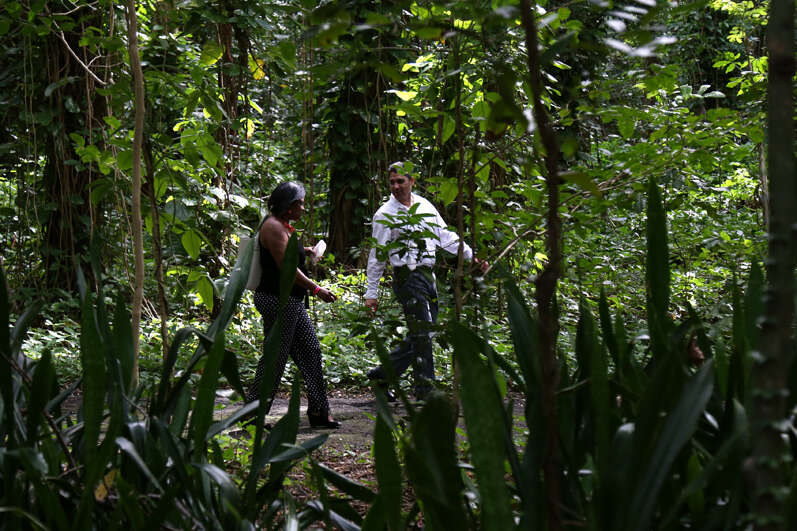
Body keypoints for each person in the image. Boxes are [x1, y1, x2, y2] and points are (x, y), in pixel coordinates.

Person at [364, 164, 488, 400]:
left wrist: (471, 256)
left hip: (427, 275)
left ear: (412, 182)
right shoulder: (384, 214)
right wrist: (372, 292)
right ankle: (425, 390)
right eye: (392, 182)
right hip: (406, 277)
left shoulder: (425, 206)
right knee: (422, 333)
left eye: (400, 181)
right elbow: (378, 254)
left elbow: (444, 237)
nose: (396, 187)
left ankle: (383, 375)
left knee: (425, 333)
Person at [246, 181, 340, 428]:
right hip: (279, 301)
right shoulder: (273, 227)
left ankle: (319, 411)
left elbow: (287, 253)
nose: (303, 208)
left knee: (311, 352)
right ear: (287, 206)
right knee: (274, 357)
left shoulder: (284, 226)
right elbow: (287, 269)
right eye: (299, 203)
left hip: (290, 301)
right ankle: (252, 414)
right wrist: (317, 289)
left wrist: (306, 250)